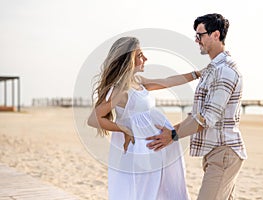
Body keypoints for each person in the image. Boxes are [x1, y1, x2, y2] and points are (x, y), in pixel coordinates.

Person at [146, 13, 247, 200]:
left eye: (200, 35)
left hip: (224, 153)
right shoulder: (212, 70)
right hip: (215, 153)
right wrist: (169, 132)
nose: (196, 40)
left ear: (216, 35)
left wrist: (173, 135)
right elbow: (197, 115)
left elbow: (206, 118)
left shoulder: (225, 71)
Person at [87, 36, 201, 200]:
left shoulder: (138, 81)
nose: (145, 58)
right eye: (140, 55)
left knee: (161, 190)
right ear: (128, 60)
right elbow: (94, 119)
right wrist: (123, 129)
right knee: (143, 192)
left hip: (155, 144)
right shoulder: (120, 89)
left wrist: (197, 74)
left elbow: (167, 81)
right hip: (139, 149)